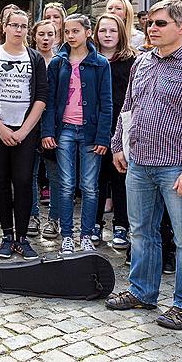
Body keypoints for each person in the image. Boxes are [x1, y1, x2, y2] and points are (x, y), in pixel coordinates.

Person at [106, 0, 182, 331]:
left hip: (177, 167)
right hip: (139, 163)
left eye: (159, 23)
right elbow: (127, 107)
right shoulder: (142, 62)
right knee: (141, 232)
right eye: (149, 23)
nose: (151, 29)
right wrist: (118, 146)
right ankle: (142, 291)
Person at [0, 9, 47, 260]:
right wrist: (1, 128)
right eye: (14, 25)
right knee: (1, 181)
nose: (19, 30)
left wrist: (24, 130)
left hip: (25, 131)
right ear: (4, 27)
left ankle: (22, 237)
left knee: (24, 182)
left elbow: (41, 96)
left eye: (24, 26)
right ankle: (7, 235)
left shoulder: (35, 58)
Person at [41, 14, 112, 254]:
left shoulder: (100, 63)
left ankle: (87, 234)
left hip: (90, 132)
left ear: (87, 32)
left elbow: (106, 103)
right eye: (67, 32)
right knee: (66, 184)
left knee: (90, 186)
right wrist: (48, 130)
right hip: (65, 130)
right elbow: (49, 100)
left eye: (76, 31)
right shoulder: (58, 63)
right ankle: (68, 235)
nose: (71, 36)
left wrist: (103, 137)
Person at [94, 13, 136, 252]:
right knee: (96, 180)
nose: (107, 35)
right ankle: (95, 224)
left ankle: (121, 225)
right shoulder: (90, 58)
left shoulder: (131, 61)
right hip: (97, 127)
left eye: (112, 31)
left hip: (122, 127)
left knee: (120, 179)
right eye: (103, 30)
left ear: (121, 33)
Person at [29, 19, 57, 238]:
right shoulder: (28, 59)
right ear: (35, 36)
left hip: (54, 125)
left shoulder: (61, 62)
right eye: (41, 34)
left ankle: (53, 219)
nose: (45, 38)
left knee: (54, 174)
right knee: (29, 174)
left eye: (50, 34)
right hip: (30, 124)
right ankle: (32, 215)